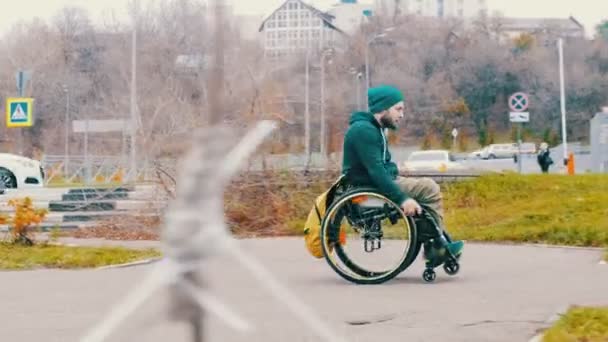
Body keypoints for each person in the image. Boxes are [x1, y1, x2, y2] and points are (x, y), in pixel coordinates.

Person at [341, 84, 463, 265]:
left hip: (376, 182)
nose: (402, 114)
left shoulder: (375, 129)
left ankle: (433, 240)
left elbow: (382, 166)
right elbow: (376, 171)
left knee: (424, 188)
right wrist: (403, 199)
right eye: (398, 109)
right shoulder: (364, 131)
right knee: (429, 188)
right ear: (382, 109)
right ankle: (434, 246)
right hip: (367, 188)